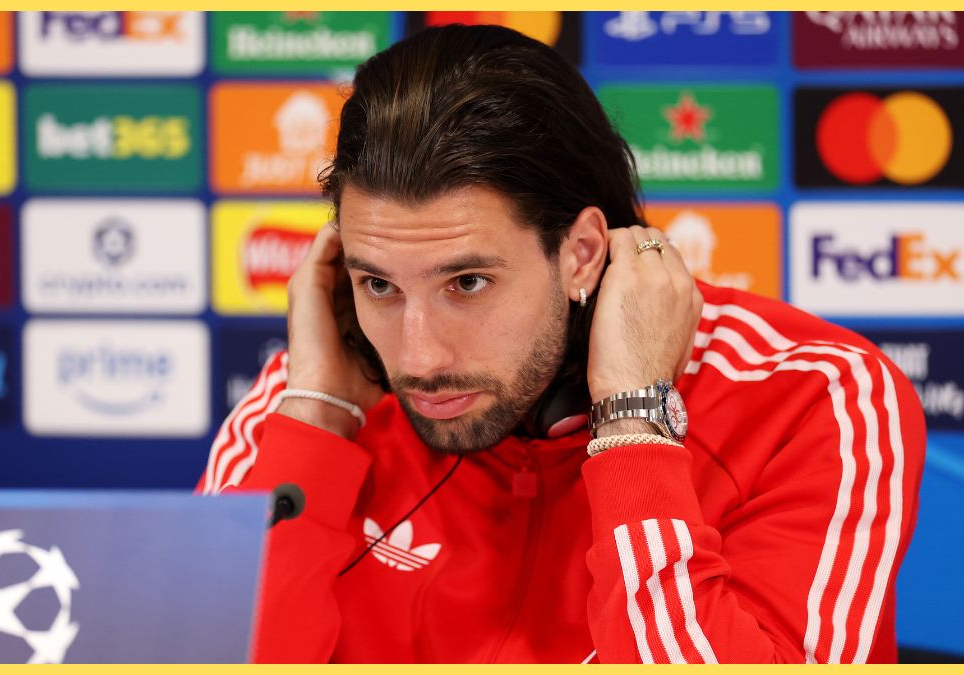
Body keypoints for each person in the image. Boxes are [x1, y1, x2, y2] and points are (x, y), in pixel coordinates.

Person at [197, 24, 925, 664]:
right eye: (379, 284)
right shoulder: (313, 394)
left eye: (468, 282)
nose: (418, 359)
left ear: (580, 253)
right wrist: (317, 424)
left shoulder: (813, 396)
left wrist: (635, 424)